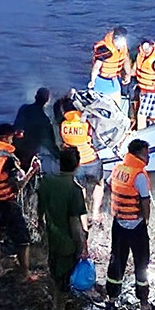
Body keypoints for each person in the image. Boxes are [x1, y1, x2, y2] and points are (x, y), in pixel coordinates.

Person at [0, 122, 41, 281]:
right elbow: (18, 185)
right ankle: (25, 273)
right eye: (11, 138)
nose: (13, 141)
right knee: (23, 239)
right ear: (6, 138)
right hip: (8, 204)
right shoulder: (8, 161)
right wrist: (32, 171)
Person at [105, 138, 152, 310]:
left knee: (116, 260)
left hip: (118, 223)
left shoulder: (118, 169)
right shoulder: (139, 175)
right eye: (146, 153)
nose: (148, 157)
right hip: (136, 225)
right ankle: (143, 302)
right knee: (141, 263)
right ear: (139, 153)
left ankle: (112, 298)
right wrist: (145, 220)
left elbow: (109, 185)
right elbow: (145, 202)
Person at [37, 146, 89, 310]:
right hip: (67, 242)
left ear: (59, 163)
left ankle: (55, 303)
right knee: (65, 279)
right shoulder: (75, 190)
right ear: (78, 165)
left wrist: (41, 230)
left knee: (54, 271)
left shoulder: (47, 182)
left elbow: (40, 211)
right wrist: (81, 245)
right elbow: (74, 223)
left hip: (51, 236)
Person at [57, 91, 104, 219]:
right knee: (99, 184)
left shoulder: (63, 125)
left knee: (80, 189)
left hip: (77, 163)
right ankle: (95, 214)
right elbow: (96, 141)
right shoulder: (86, 123)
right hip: (92, 160)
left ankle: (83, 217)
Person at [14, 87, 60, 171]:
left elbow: (17, 126)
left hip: (15, 147)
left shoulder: (23, 108)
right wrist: (59, 156)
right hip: (28, 153)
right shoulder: (44, 120)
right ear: (46, 100)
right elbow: (49, 143)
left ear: (35, 97)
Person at [90, 27, 131, 108]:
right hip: (101, 80)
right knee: (99, 106)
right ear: (114, 39)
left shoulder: (123, 47)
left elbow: (126, 59)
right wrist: (92, 80)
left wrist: (128, 74)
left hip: (114, 79)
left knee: (116, 106)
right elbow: (96, 67)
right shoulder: (105, 49)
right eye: (118, 42)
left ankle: (116, 118)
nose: (120, 45)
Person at [132, 38, 155, 131]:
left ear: (152, 47)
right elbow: (133, 71)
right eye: (144, 47)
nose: (146, 50)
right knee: (152, 114)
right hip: (142, 90)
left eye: (148, 47)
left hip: (153, 91)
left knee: (141, 115)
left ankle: (141, 135)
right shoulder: (140, 57)